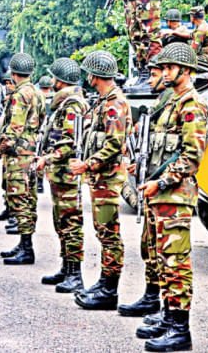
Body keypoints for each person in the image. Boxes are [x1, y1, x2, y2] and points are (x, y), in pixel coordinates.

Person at [134, 43, 208, 352]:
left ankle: (180, 329)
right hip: (161, 194)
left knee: (176, 262)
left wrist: (161, 181)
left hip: (174, 195)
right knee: (163, 261)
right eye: (162, 68)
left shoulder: (192, 105)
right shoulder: (171, 103)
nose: (163, 73)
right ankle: (168, 317)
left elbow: (192, 156)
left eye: (168, 68)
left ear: (185, 71)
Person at [69, 50, 130, 310]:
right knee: (103, 231)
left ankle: (109, 290)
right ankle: (105, 282)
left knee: (109, 233)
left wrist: (87, 165)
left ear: (96, 75)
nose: (88, 79)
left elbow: (114, 145)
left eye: (90, 74)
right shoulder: (103, 102)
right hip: (100, 178)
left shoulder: (114, 104)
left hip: (107, 178)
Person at [118, 54, 170, 319]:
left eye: (154, 74)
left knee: (169, 254)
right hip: (153, 186)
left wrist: (161, 180)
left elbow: (190, 154)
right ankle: (152, 298)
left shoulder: (183, 104)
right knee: (149, 246)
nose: (150, 80)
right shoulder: (163, 104)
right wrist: (138, 166)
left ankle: (172, 316)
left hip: (168, 191)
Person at [0, 53, 45, 265]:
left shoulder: (20, 95)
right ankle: (23, 244)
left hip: (18, 156)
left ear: (13, 72)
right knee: (28, 199)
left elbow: (13, 130)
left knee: (19, 200)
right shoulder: (36, 93)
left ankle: (26, 248)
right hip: (30, 152)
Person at [34, 57, 89, 293]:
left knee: (71, 223)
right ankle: (67, 268)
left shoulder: (72, 105)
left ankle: (75, 274)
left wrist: (48, 158)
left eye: (55, 78)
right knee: (61, 222)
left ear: (61, 81)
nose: (52, 81)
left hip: (67, 174)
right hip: (59, 174)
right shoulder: (63, 103)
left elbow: (70, 142)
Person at [0, 71, 16, 225]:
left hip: (16, 148)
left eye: (10, 83)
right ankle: (8, 209)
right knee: (6, 182)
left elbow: (15, 128)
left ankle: (15, 216)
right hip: (8, 147)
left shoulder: (19, 100)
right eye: (6, 83)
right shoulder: (7, 101)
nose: (8, 86)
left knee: (17, 186)